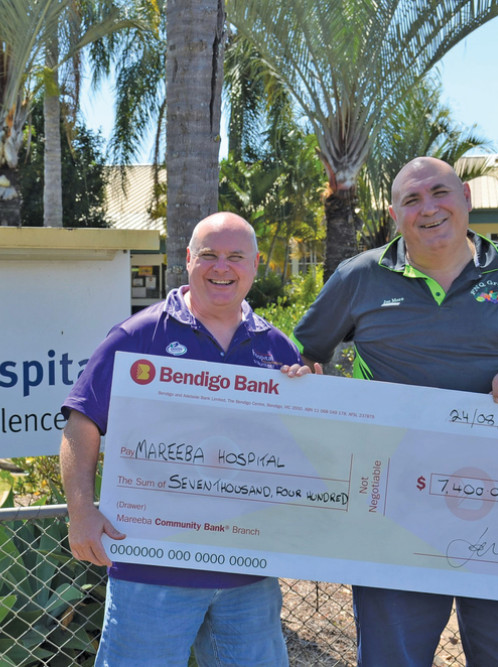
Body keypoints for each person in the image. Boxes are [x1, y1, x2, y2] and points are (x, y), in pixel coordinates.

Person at [293, 156, 498, 666]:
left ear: (466, 198)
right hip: (392, 504)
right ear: (394, 214)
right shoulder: (359, 277)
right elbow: (304, 355)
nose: (428, 208)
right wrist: (313, 391)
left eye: (439, 193)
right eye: (411, 200)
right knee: (391, 658)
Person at [60, 212, 312, 666]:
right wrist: (81, 511)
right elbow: (82, 420)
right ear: (189, 260)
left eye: (235, 257)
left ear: (256, 265)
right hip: (153, 569)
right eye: (210, 255)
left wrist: (312, 399)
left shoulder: (277, 348)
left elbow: (299, 451)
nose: (222, 268)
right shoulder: (138, 335)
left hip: (247, 575)